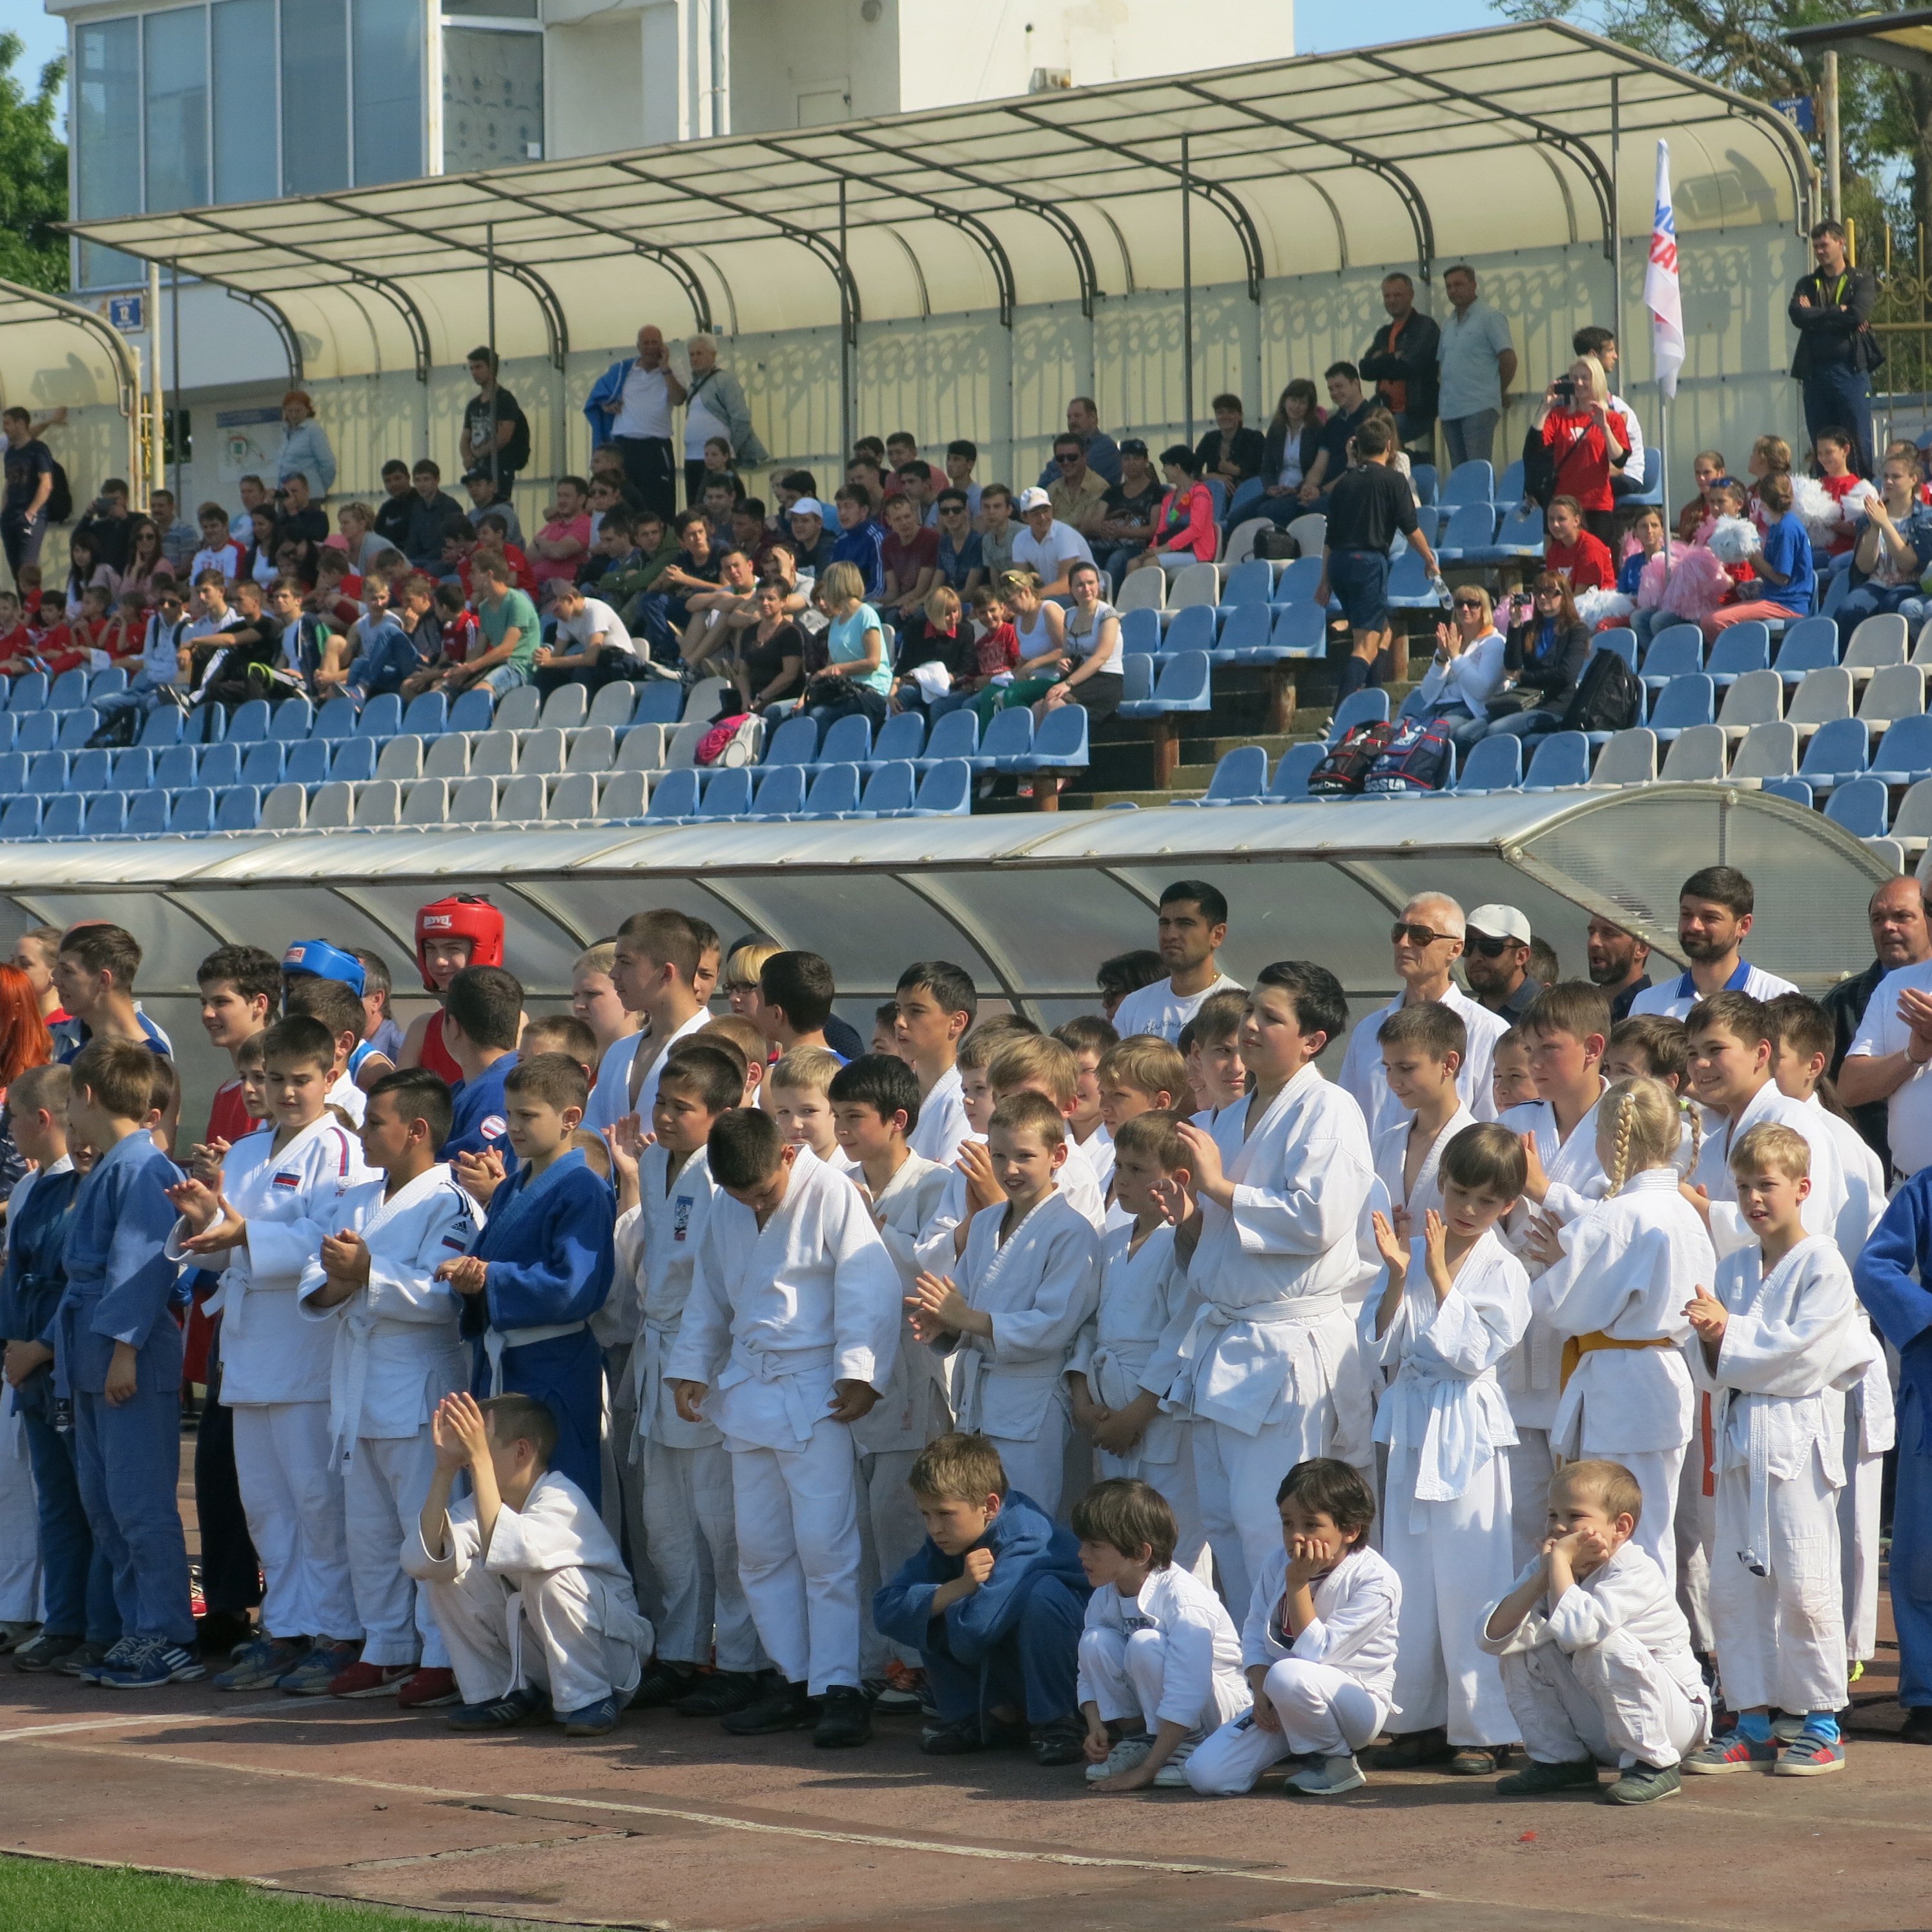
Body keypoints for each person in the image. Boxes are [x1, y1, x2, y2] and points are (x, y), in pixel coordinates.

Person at [665, 1107, 901, 1747]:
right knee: (761, 1547)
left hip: (815, 1387)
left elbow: (868, 1284)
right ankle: (790, 1678)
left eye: (763, 1190)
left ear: (787, 1155)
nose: (754, 1203)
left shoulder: (830, 1192)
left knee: (827, 1547)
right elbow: (710, 1294)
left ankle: (840, 1685)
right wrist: (690, 1366)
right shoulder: (725, 1204)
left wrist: (859, 1371)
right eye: (742, 1195)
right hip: (747, 1387)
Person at [1142, 964, 1374, 1618]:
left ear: (1312, 1039)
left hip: (1285, 1346)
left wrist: (1218, 1189)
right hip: (1227, 1341)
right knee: (1222, 1522)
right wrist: (1188, 1216)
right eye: (1251, 1013)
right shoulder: (1227, 1116)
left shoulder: (1329, 1110)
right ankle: (1252, 1682)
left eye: (1270, 1018)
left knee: (1274, 1522)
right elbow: (1214, 1244)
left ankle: (1295, 1667)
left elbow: (1317, 1220)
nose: (1249, 1027)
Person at [164, 1015, 369, 1692]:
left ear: (329, 1076)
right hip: (248, 1345)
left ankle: (337, 1632)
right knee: (265, 1502)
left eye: (298, 1080)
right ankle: (284, 1626)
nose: (283, 1092)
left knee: (316, 1496)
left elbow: (330, 1240)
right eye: (271, 1078)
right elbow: (226, 1251)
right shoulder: (249, 1151)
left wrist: (245, 1230)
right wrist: (203, 1219)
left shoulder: (338, 1148)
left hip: (306, 1345)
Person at [1680, 1123, 1873, 1777]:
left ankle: (1821, 1720)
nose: (1754, 1198)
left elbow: (1801, 1359)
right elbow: (1711, 1367)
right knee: (1733, 1588)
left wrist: (1727, 1333)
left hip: (1797, 1444)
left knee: (1805, 1581)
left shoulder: (1822, 1263)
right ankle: (1751, 1719)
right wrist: (1708, 1338)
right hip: (1740, 1445)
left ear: (1801, 1188)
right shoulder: (1732, 1265)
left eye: (1767, 1184)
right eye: (1743, 1186)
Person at [293, 1067, 475, 1707]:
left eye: (375, 1122)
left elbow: (441, 1297)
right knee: (369, 1530)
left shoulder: (451, 1202)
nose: (363, 1132)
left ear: (417, 1130)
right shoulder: (357, 1197)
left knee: (427, 1526)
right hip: (358, 1382)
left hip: (421, 1381)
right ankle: (385, 1644)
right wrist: (346, 1279)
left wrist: (368, 1271)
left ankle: (443, 1651)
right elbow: (313, 1281)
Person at [1364, 1124, 1529, 1776]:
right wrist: (1401, 1280)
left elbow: (1473, 1353)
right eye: (1458, 1191)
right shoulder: (1409, 1249)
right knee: (1409, 1575)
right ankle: (1421, 1716)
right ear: (1441, 1184)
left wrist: (1436, 1274)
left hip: (1464, 1429)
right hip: (1410, 1423)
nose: (1466, 1209)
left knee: (1469, 1575)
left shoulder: (1504, 1269)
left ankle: (1484, 1724)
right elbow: (1379, 1347)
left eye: (1485, 1201)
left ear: (1507, 1205)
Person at [619, 1045, 764, 1716]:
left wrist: (704, 1364)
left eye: (684, 1107)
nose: (669, 1117)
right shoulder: (652, 1161)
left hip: (708, 1359)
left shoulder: (722, 1175)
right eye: (662, 1105)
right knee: (664, 1523)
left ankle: (738, 1659)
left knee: (722, 1524)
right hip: (659, 1351)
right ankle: (679, 1651)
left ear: (723, 1114)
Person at [52, 1040, 200, 1687]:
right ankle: (137, 1626)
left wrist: (124, 1352)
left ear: (86, 1095)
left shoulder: (144, 1167)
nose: (66, 1118)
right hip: (90, 1343)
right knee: (104, 1501)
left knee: (140, 1503)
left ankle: (167, 1635)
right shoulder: (115, 1164)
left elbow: (143, 1265)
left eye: (67, 1102)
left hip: (124, 1351)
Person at [1528, 1076, 1712, 1585]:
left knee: (1614, 1528)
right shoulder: (1684, 1210)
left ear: (1612, 1138)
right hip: (1665, 1372)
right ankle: (1658, 1639)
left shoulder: (1620, 1214)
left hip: (1621, 1384)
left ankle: (1632, 1640)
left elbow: (1561, 1306)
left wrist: (1554, 1270)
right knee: (1654, 1524)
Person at [406, 1390, 649, 1737]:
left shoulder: (563, 1499)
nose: (469, 1462)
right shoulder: (483, 1503)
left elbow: (508, 1547)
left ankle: (590, 1698)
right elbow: (424, 1562)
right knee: (449, 1573)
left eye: (479, 1450)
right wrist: (444, 1470)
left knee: (550, 1578)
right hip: (543, 1658)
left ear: (521, 1451)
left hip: (613, 1662)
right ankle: (503, 1694)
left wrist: (478, 1461)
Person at [907, 1089, 1101, 1516]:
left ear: (1058, 1156)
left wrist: (968, 1317)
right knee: (979, 1521)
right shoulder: (985, 1222)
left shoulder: (1072, 1232)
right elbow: (962, 1295)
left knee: (1026, 1519)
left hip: (1031, 1401)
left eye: (1024, 1157)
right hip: (979, 1398)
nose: (1009, 1169)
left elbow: (1052, 1326)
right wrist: (945, 1320)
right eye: (999, 1156)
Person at [828, 1054, 953, 1703]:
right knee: (855, 1524)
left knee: (899, 1516)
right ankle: (871, 1658)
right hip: (850, 1369)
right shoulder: (835, 1182)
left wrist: (871, 1224)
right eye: (838, 1116)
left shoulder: (936, 1184)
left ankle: (917, 1658)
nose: (842, 1129)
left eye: (855, 1117)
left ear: (898, 1120)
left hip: (910, 1371)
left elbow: (932, 1271)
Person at [1481, 1458, 1711, 1804]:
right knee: (1520, 1644)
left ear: (1620, 1526)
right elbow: (1491, 1637)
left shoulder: (1636, 1571)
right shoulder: (1550, 1564)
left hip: (1670, 1724)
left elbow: (1578, 1632)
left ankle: (1654, 1766)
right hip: (1607, 1726)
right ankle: (1561, 1761)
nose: (1559, 1528)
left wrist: (1558, 1563)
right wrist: (1543, 1575)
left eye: (1574, 1517)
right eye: (1553, 1515)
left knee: (1602, 1644)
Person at [440, 1053, 615, 1507]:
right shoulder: (513, 1186)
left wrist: (490, 1278)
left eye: (528, 1116)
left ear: (570, 1118)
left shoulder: (584, 1187)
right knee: (495, 1497)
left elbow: (575, 1286)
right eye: (510, 1114)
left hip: (552, 1367)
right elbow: (482, 1259)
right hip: (503, 1362)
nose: (514, 1127)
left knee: (556, 1494)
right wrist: (468, 1279)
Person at [1184, 1458, 1401, 1798]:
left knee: (1289, 1674)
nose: (1296, 1536)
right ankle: (1301, 1747)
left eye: (1312, 1525)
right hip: (1282, 1694)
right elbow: (1255, 1634)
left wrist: (1298, 1585)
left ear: (1351, 1530)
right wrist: (1260, 1691)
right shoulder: (1277, 1563)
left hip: (1354, 1705)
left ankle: (1335, 1760)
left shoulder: (1375, 1578)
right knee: (1206, 1774)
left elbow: (1318, 1654)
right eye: (1288, 1523)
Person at [874, 1432, 1091, 1763]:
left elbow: (975, 1634)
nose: (934, 1528)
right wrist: (954, 1589)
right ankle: (978, 1717)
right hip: (1009, 1661)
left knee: (1042, 1596)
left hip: (1083, 1675)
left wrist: (948, 1597)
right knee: (934, 1599)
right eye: (926, 1515)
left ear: (989, 1505)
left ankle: (1059, 1721)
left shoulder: (1025, 1534)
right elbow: (884, 1609)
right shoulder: (949, 1538)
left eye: (945, 1514)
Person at [0, 1063, 106, 1674]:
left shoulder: (86, 1186)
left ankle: (98, 1622)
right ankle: (62, 1620)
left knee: (91, 1501)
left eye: (14, 1117)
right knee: (55, 1503)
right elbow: (20, 1278)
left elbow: (80, 1283)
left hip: (66, 1364)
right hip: (31, 1370)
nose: (10, 1129)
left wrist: (39, 1346)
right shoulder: (33, 1188)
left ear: (43, 1119)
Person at [1066, 1110, 1204, 1568]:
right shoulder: (1108, 1242)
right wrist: (1082, 1397)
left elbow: (1181, 1337)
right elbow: (1086, 1326)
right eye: (1119, 1167)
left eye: (1137, 1170)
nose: (1122, 1180)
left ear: (1178, 1178)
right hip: (1107, 1412)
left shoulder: (1180, 1243)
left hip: (1160, 1416)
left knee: (1170, 1539)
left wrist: (1138, 1413)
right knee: (1120, 1536)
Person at [1073, 1478, 1246, 1793]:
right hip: (1167, 1711)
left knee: (1145, 1642)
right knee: (1095, 1641)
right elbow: (1087, 1669)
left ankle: (1188, 1746)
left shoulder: (1183, 1599)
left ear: (1140, 1553)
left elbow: (1188, 1686)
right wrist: (1095, 1725)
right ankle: (1141, 1738)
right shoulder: (1104, 1594)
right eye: (1084, 1543)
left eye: (1095, 1546)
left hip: (1215, 1714)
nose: (1082, 1554)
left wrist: (1147, 1771)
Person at [1340, 894, 1507, 1136]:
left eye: (1420, 935)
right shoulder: (1368, 1030)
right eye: (1398, 932)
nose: (1404, 943)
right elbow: (1349, 1118)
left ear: (1455, 949)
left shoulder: (1488, 1031)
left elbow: (1493, 1128)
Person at [1316, 416, 1439, 710]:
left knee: (1383, 631)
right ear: (1388, 446)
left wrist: (1324, 582)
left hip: (1339, 566)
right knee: (1365, 644)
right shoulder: (1393, 480)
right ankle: (1338, 716)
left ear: (1357, 448)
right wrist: (1429, 559)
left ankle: (1373, 701)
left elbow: (1329, 539)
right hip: (1367, 564)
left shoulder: (1343, 484)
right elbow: (1411, 527)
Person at [582, 909, 712, 1137]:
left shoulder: (716, 1047)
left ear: (665, 973)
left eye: (625, 962)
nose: (613, 974)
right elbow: (589, 1137)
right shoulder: (618, 1052)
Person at [1836, 877, 1932, 1173]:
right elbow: (1849, 1088)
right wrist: (1912, 1056)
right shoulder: (1896, 985)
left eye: (1902, 916)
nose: (1888, 927)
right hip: (1909, 1191)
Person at [1629, 867, 1797, 1019]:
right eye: (1686, 915)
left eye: (1710, 918)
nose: (1694, 926)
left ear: (1743, 926)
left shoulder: (1778, 999)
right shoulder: (1648, 1004)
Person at [1371, 1002, 1475, 1233]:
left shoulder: (1479, 1147)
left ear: (1449, 1064)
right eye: (1388, 1068)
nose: (1393, 1081)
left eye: (1406, 1068)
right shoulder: (1383, 1145)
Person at [1790, 220, 1880, 477]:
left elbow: (1857, 314)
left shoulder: (1861, 279)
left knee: (1857, 437)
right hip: (1815, 373)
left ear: (1841, 243)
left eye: (1824, 245)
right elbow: (1797, 316)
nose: (1819, 251)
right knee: (1822, 440)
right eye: (1816, 246)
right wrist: (1837, 312)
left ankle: (1862, 495)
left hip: (1850, 371)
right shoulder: (1807, 284)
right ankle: (1825, 498)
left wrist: (1816, 315)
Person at [1107, 881, 1242, 1045]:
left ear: (1217, 935)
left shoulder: (1238, 1009)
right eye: (1164, 923)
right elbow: (1114, 1068)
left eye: (1185, 924)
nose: (1170, 935)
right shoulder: (1133, 1006)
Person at [1485, 575, 1590, 754]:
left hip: (1556, 706)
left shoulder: (1576, 630)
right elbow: (1512, 665)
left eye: (1549, 592)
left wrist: (1525, 677)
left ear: (1564, 596)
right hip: (1525, 703)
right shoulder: (1529, 629)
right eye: (1538, 592)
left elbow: (1566, 674)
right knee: (1468, 733)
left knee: (1495, 731)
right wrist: (1515, 625)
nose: (1541, 597)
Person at [1702, 473, 1815, 641]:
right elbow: (1768, 575)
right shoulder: (1777, 526)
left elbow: (1782, 579)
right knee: (1709, 618)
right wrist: (1745, 555)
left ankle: (1736, 661)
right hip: (1772, 597)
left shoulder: (1787, 528)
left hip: (1787, 604)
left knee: (1713, 621)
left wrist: (1752, 554)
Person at [892, 962, 976, 1168]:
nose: (899, 1022)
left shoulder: (963, 1101)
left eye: (915, 1011)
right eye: (898, 1010)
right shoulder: (896, 1094)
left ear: (957, 1022)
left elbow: (948, 1182)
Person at [1437, 264, 1517, 471]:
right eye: (1449, 286)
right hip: (1450, 409)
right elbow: (1442, 364)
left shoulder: (1489, 317)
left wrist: (1498, 392)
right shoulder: (1448, 323)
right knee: (1460, 474)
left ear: (1473, 285)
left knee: (1477, 471)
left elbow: (1508, 359)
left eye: (1459, 284)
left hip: (1479, 407)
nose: (1453, 290)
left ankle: (1481, 504)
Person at [805, 559, 890, 732]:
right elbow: (831, 663)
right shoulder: (837, 621)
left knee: (821, 716)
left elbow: (873, 662)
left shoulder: (866, 614)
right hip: (845, 690)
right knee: (807, 711)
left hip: (871, 690)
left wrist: (837, 669)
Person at [1361, 274, 1442, 452]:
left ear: (1411, 295)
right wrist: (1393, 358)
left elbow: (1410, 366)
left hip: (1416, 413)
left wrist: (1381, 362)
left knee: (1377, 438)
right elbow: (1365, 370)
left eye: (1397, 295)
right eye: (1387, 296)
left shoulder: (1425, 327)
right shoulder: (1384, 333)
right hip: (1385, 409)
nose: (1391, 300)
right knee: (1355, 432)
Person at [682, 336, 765, 503]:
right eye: (691, 355)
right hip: (693, 458)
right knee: (696, 506)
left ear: (713, 355)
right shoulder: (693, 385)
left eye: (699, 353)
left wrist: (729, 449)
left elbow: (741, 417)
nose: (695, 358)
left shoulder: (725, 380)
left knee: (726, 502)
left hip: (720, 460)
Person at [459, 347, 529, 499]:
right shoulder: (473, 404)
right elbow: (465, 437)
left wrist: (477, 453)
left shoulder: (505, 400)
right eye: (471, 368)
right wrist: (467, 458)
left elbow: (503, 437)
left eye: (478, 367)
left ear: (491, 368)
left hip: (500, 465)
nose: (474, 373)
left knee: (498, 503)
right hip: (479, 466)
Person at [1, 405, 60, 583]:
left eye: (7, 423)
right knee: (16, 571)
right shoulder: (10, 452)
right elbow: (9, 483)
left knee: (28, 569)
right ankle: (24, 607)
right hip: (10, 516)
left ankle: (36, 609)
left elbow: (46, 484)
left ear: (20, 423)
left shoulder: (38, 449)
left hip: (30, 516)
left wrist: (32, 511)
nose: (4, 427)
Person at [1255, 382, 1324, 528]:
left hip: (1300, 491)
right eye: (1293, 400)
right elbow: (1267, 466)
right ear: (1284, 401)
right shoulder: (1276, 429)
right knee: (1237, 517)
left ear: (1309, 407)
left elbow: (1318, 469)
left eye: (1302, 402)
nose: (1296, 407)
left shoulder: (1316, 431)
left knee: (1267, 512)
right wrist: (1270, 487)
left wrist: (1298, 489)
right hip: (1277, 490)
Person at [1011, 486, 1096, 597]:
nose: (1042, 517)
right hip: (1051, 595)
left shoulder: (1064, 535)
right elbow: (1020, 581)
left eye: (1046, 511)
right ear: (1024, 517)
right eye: (1036, 513)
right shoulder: (1020, 539)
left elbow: (1066, 584)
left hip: (1084, 595)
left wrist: (1034, 598)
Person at [1461, 905, 1540, 1022]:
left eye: (1490, 946)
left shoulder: (1549, 1016)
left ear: (1521, 956)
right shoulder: (1463, 1015)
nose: (1476, 957)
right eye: (1468, 945)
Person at [1034, 397, 1122, 489]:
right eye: (1069, 417)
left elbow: (1074, 475)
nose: (1072, 421)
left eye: (1077, 416)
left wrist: (1055, 474)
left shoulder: (1105, 447)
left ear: (1093, 417)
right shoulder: (1069, 447)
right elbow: (1042, 483)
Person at [1585, 914, 1654, 1025]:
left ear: (1642, 948)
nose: (1593, 942)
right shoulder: (1577, 1011)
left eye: (1609, 934)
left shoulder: (1657, 1013)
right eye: (1592, 932)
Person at [1047, 434, 1113, 539]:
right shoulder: (1053, 488)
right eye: (1060, 458)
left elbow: (1083, 526)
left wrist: (1048, 526)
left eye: (1072, 457)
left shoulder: (1099, 487)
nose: (1066, 462)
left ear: (1084, 458)